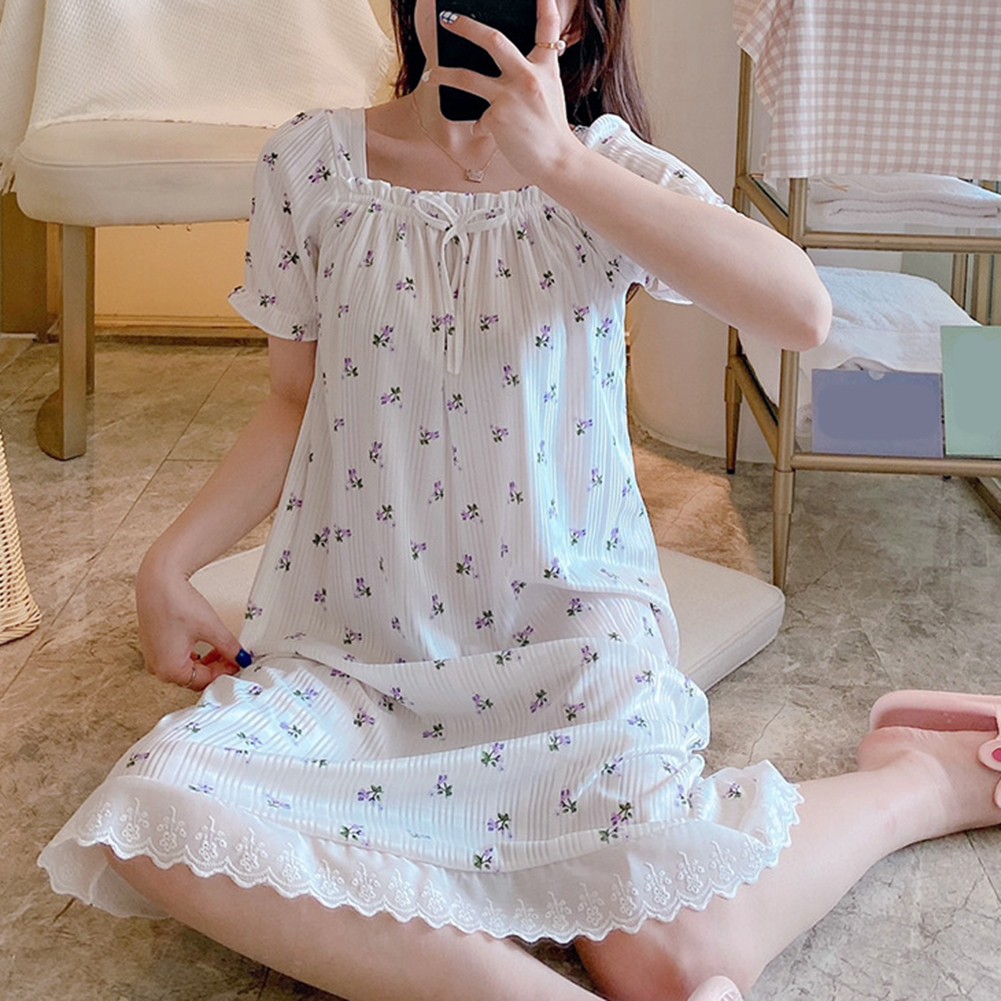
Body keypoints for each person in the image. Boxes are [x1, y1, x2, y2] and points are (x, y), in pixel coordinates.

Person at [38, 2, 1001, 1000]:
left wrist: (561, 165)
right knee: (157, 814)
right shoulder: (311, 164)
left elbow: (798, 309)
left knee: (673, 962)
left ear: (577, 20)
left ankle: (925, 778)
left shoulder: (606, 169)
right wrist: (168, 562)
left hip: (572, 653)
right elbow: (292, 400)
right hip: (358, 658)